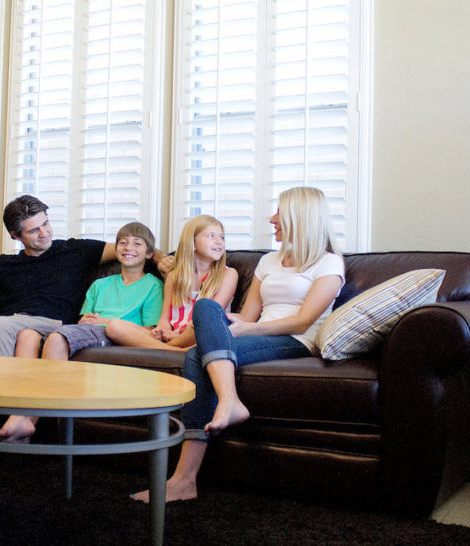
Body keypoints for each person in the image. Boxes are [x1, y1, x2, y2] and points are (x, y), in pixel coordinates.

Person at [0, 195, 167, 470]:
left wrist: (168, 262)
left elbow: (133, 248)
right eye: (34, 230)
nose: (44, 232)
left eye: (46, 223)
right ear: (16, 235)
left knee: (1, 326)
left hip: (50, 324)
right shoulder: (4, 264)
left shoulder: (76, 251)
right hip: (5, 322)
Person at [131, 187, 346, 503]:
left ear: (300, 218)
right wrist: (224, 322)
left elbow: (303, 321)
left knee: (195, 355)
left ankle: (183, 479)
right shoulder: (269, 261)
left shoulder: (328, 264)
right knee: (206, 308)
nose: (272, 219)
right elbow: (247, 314)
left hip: (297, 341)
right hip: (255, 331)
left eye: (279, 214)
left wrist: (248, 328)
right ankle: (227, 405)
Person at [0, 222, 164, 443]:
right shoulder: (101, 284)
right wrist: (88, 320)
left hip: (114, 333)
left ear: (149, 253)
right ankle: (18, 414)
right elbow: (83, 319)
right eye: (123, 242)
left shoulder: (153, 286)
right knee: (27, 334)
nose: (129, 247)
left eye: (137, 243)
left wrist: (106, 320)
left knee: (58, 338)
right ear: (115, 249)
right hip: (87, 329)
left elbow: (150, 330)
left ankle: (27, 421)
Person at [105, 215, 238, 351]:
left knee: (203, 322)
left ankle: (167, 349)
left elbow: (209, 319)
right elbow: (164, 319)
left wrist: (173, 339)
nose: (219, 241)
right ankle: (175, 351)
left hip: (199, 334)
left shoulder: (228, 274)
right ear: (191, 242)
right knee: (114, 326)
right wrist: (163, 331)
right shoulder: (174, 276)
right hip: (171, 336)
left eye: (222, 237)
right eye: (211, 236)